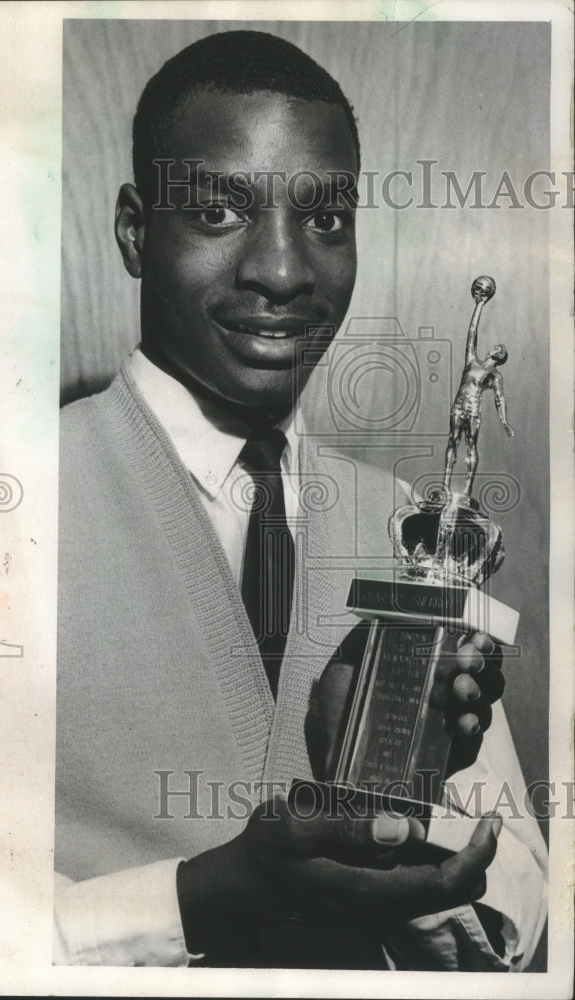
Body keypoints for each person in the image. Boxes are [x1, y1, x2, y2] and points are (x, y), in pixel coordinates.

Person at [54, 30, 547, 969]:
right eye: (217, 212)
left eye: (325, 221)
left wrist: (398, 810)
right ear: (132, 231)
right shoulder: (8, 509)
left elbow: (519, 906)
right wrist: (198, 903)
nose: (282, 272)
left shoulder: (414, 527)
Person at [442, 275, 515, 497]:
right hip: (459, 405)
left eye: (497, 347)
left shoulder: (494, 375)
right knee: (452, 441)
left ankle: (467, 488)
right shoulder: (472, 360)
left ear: (499, 355)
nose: (493, 346)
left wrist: (504, 421)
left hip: (473, 409)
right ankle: (445, 484)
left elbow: (499, 398)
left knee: (471, 446)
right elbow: (471, 333)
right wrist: (479, 305)